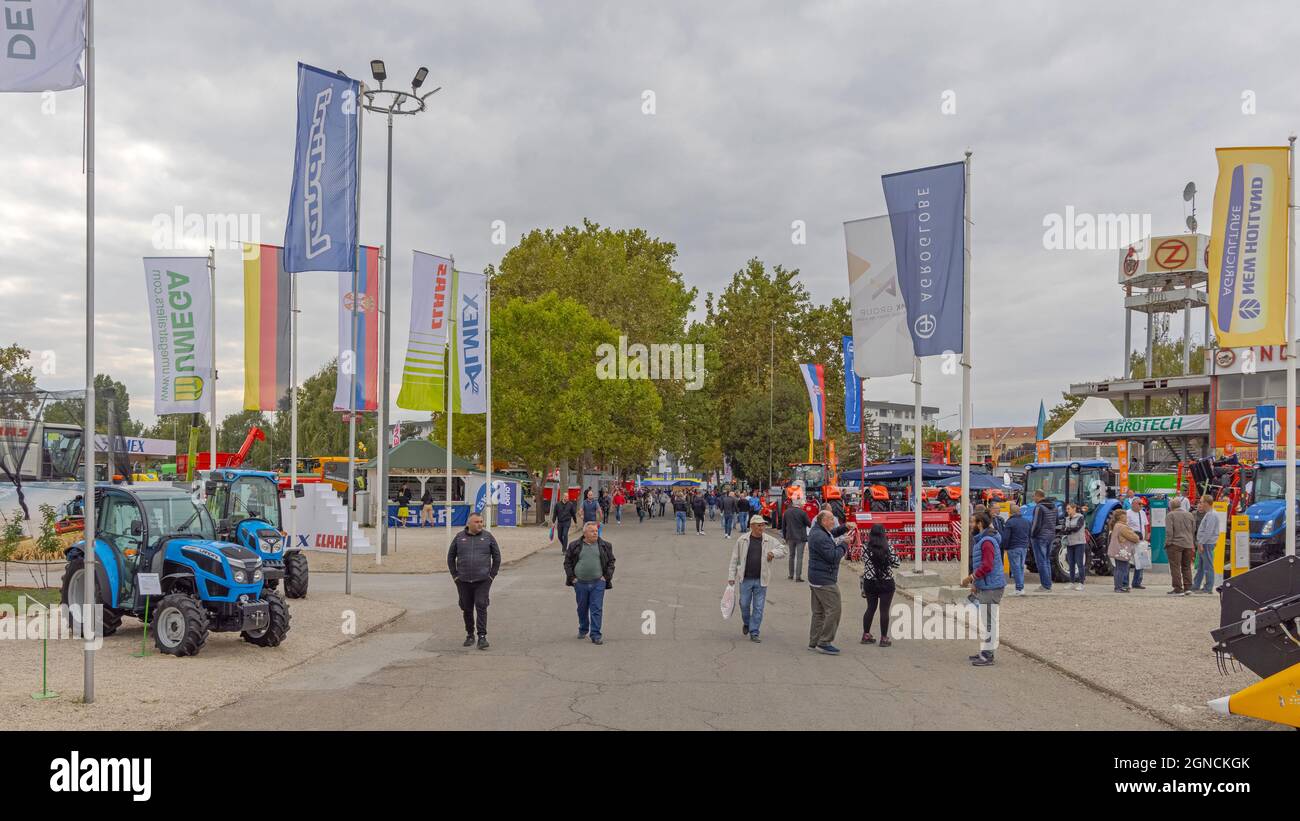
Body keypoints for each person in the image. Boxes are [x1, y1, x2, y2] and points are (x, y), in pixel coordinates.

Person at [726, 513, 787, 642]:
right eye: (759, 525)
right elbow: (735, 559)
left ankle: (754, 632)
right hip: (746, 579)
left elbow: (783, 550)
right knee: (744, 604)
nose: (762, 528)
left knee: (758, 607)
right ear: (752, 526)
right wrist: (731, 576)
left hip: (761, 579)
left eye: (763, 525)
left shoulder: (769, 540)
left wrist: (773, 553)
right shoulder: (742, 540)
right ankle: (747, 623)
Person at [447, 512, 501, 650]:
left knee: (481, 605)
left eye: (481, 522)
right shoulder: (459, 538)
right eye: (476, 522)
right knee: (466, 607)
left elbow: (497, 557)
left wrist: (491, 576)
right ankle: (470, 634)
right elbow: (450, 557)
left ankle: (482, 636)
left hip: (483, 579)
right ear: (469, 524)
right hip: (463, 580)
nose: (480, 524)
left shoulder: (488, 537)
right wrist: (455, 576)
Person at [806, 510, 856, 655]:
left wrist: (845, 527)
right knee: (834, 609)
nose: (834, 522)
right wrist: (845, 545)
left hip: (816, 577)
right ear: (823, 521)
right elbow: (833, 556)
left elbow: (832, 533)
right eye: (831, 520)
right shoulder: (820, 536)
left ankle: (814, 641)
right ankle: (824, 641)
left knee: (819, 612)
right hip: (824, 580)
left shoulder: (819, 532)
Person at [961, 511, 1005, 667]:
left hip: (991, 586)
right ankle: (986, 651)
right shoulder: (984, 540)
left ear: (980, 524)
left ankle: (988, 655)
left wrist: (970, 578)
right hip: (987, 585)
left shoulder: (986, 542)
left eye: (973, 522)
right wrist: (976, 584)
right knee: (986, 620)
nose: (970, 524)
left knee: (989, 621)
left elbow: (986, 565)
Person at [563, 522, 615, 644]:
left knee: (596, 608)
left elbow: (611, 562)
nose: (595, 533)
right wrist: (572, 578)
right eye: (592, 531)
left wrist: (606, 577)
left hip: (598, 583)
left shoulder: (605, 546)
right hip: (580, 583)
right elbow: (567, 563)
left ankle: (596, 634)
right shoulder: (574, 545)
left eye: (596, 531)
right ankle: (583, 628)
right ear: (584, 533)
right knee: (582, 608)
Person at [859, 524, 900, 646]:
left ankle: (866, 635)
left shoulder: (864, 548)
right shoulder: (889, 548)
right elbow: (896, 564)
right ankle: (884, 638)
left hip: (870, 581)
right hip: (886, 582)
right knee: (884, 610)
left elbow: (863, 560)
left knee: (870, 608)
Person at [1165, 496, 1197, 596]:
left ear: (1171, 506)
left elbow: (1169, 531)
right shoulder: (1189, 515)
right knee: (1186, 566)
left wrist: (1167, 543)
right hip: (1188, 543)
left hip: (1175, 544)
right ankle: (1188, 587)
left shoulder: (1170, 515)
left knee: (1175, 567)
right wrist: (1191, 541)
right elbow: (1193, 529)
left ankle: (1178, 588)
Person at [1029, 490, 1057, 592]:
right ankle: (1048, 584)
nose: (1033, 499)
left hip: (1039, 537)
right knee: (1046, 560)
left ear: (1037, 496)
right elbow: (1055, 521)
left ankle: (1045, 585)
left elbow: (1036, 524)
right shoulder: (1054, 507)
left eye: (1034, 496)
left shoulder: (1039, 508)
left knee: (1041, 561)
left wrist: (1031, 535)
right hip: (1050, 536)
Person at [1107, 508, 1140, 592]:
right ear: (1121, 517)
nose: (1127, 518)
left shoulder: (1116, 525)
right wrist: (1137, 536)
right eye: (1125, 516)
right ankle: (1119, 587)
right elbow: (1135, 538)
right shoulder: (1123, 527)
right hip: (1122, 551)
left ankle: (1118, 586)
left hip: (1117, 551)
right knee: (1122, 569)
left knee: (1118, 568)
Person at [1002, 502, 1031, 595]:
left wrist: (1005, 547)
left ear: (1011, 512)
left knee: (1016, 568)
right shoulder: (1026, 521)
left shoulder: (1010, 522)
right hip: (1024, 547)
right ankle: (1020, 587)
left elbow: (1006, 537)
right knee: (1021, 567)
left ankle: (1019, 588)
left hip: (1013, 547)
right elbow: (1029, 534)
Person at [1192, 495, 1220, 595]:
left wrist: (1201, 543)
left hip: (1207, 543)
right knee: (1201, 566)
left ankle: (1208, 587)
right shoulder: (1209, 514)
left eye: (1201, 502)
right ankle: (1196, 585)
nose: (1200, 504)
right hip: (1205, 543)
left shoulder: (1212, 515)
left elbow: (1208, 531)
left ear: (1206, 503)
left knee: (1208, 567)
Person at [782, 498, 811, 582]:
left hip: (790, 537)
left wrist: (784, 537)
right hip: (801, 537)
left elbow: (783, 526)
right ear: (800, 504)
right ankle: (798, 576)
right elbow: (809, 524)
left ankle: (791, 575)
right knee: (799, 557)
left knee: (791, 556)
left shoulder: (786, 512)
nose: (803, 505)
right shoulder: (803, 513)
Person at [1062, 503, 1088, 590]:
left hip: (1079, 543)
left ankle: (1081, 583)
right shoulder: (1066, 519)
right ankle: (1072, 582)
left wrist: (1068, 529)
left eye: (1068, 509)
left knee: (1079, 563)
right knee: (1071, 563)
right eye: (1066, 509)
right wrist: (1068, 530)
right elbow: (1063, 529)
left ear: (1074, 509)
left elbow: (1077, 528)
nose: (1067, 510)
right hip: (1070, 543)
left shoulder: (1080, 517)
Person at [1126, 496, 1150, 589]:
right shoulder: (1127, 513)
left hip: (1141, 541)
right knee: (1127, 561)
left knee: (1141, 561)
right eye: (1139, 504)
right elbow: (1125, 527)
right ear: (1133, 504)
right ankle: (1125, 582)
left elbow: (1145, 525)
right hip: (1131, 540)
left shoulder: (1142, 513)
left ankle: (1137, 582)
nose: (1141, 506)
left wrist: (1146, 536)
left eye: (1141, 504)